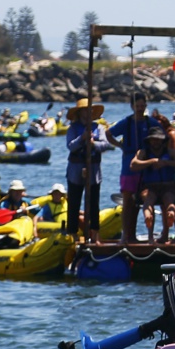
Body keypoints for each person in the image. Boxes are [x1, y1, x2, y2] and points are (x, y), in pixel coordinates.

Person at [109, 91, 168, 245]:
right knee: (128, 203)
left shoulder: (151, 123)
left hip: (146, 168)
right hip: (128, 167)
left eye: (142, 106)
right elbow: (109, 133)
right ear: (132, 106)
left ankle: (148, 236)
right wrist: (120, 146)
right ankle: (125, 236)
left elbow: (165, 135)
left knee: (146, 200)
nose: (140, 108)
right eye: (137, 106)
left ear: (146, 106)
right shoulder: (126, 123)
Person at [131, 105, 175, 244]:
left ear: (162, 140)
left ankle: (173, 223)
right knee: (148, 201)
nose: (156, 142)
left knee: (169, 201)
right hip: (150, 187)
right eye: (153, 140)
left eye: (158, 140)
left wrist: (166, 163)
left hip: (167, 185)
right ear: (149, 140)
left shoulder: (169, 152)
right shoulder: (144, 152)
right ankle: (149, 230)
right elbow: (133, 165)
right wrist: (150, 162)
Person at [64, 98, 109, 242]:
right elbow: (70, 146)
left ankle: (94, 232)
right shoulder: (73, 128)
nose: (88, 112)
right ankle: (72, 233)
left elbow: (105, 145)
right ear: (80, 112)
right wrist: (81, 139)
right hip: (76, 169)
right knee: (74, 202)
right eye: (85, 110)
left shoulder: (99, 128)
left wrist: (93, 143)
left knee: (93, 203)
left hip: (94, 170)